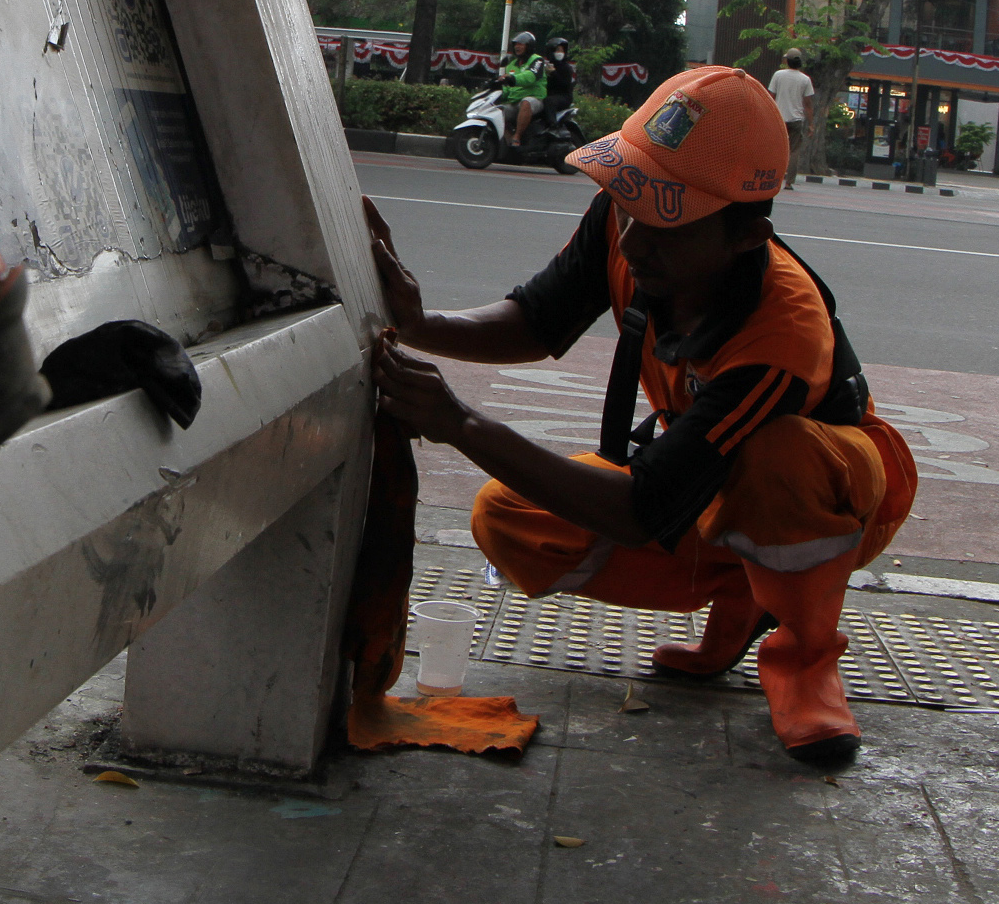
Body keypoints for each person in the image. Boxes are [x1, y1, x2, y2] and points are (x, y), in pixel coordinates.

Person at [368, 66, 917, 764]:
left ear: (744, 237)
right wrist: (419, 323)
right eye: (624, 201)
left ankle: (805, 660)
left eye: (664, 220)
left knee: (779, 454)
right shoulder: (628, 220)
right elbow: (538, 319)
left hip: (834, 493)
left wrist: (459, 422)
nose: (630, 241)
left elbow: (640, 508)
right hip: (705, 484)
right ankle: (750, 594)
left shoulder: (782, 334)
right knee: (507, 517)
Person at [514, 36, 577, 147]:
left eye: (561, 51)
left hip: (563, 96)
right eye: (557, 50)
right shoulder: (544, 66)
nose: (559, 53)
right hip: (547, 94)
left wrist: (553, 73)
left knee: (549, 101)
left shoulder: (566, 67)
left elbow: (564, 84)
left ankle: (553, 127)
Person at [767, 49, 814, 177]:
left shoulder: (778, 75)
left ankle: (774, 177)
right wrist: (811, 124)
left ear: (787, 61)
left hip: (779, 119)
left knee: (777, 149)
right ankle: (789, 181)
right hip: (796, 120)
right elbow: (808, 104)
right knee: (794, 151)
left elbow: (771, 97)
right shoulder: (805, 79)